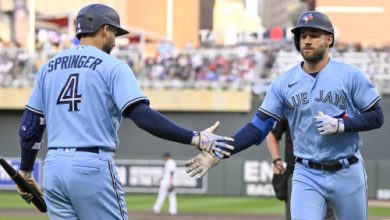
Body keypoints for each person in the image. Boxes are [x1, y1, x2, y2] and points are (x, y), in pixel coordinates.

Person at [15, 4, 233, 220]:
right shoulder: (113, 66)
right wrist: (195, 138)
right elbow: (142, 116)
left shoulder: (48, 68)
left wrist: (25, 171)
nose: (115, 40)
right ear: (104, 29)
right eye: (115, 33)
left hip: (53, 167)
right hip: (91, 165)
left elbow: (30, 125)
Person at [186, 11, 384, 220]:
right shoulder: (284, 83)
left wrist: (343, 125)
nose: (306, 40)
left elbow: (377, 116)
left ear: (329, 39)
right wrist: (221, 150)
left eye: (314, 34)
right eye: (302, 35)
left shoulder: (350, 75)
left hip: (347, 170)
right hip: (307, 174)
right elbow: (258, 128)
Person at [266, 117, 334, 220]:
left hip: (327, 170)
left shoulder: (328, 104)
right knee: (296, 216)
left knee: (329, 216)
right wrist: (277, 162)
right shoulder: (289, 105)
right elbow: (272, 135)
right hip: (296, 171)